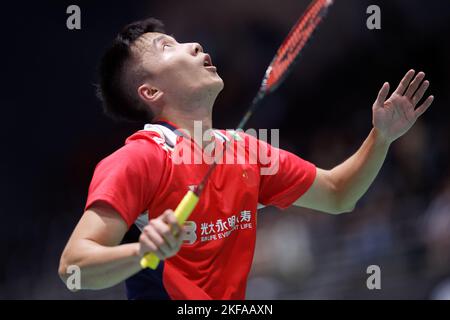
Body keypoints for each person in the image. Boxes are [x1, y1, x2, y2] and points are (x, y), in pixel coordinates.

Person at [58, 18, 434, 299]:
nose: (193, 45)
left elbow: (338, 194)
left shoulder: (245, 150)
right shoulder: (138, 159)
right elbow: (73, 268)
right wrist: (143, 251)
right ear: (150, 90)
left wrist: (381, 137)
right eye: (166, 46)